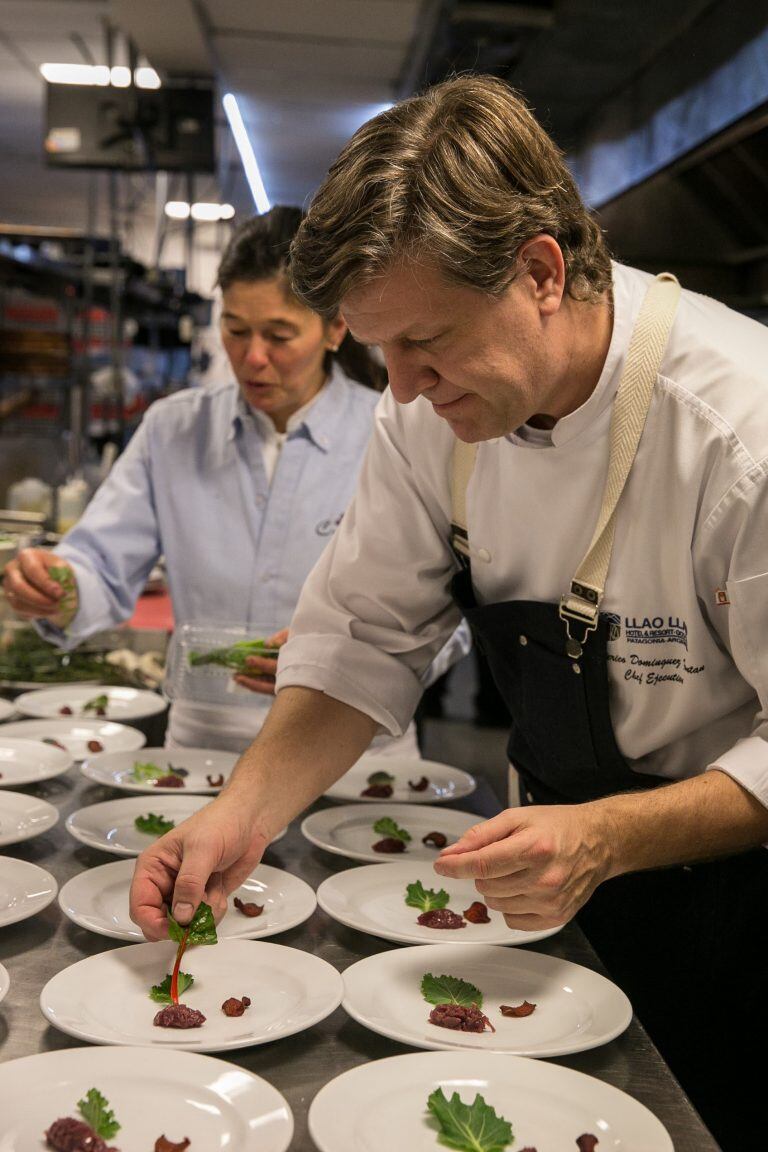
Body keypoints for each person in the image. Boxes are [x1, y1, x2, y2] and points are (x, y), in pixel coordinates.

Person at [127, 77, 768, 1149]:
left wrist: (609, 836)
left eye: (428, 343)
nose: (407, 390)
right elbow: (360, 636)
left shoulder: (740, 432)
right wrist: (241, 814)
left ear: (541, 271)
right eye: (381, 352)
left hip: (743, 913)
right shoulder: (427, 411)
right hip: (556, 885)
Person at [2, 206, 460, 754]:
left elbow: (448, 617)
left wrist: (346, 670)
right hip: (203, 752)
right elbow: (100, 563)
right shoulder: (174, 431)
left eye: (279, 335)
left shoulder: (401, 431)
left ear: (337, 327)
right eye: (236, 330)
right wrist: (58, 587)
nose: (253, 358)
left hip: (356, 754)